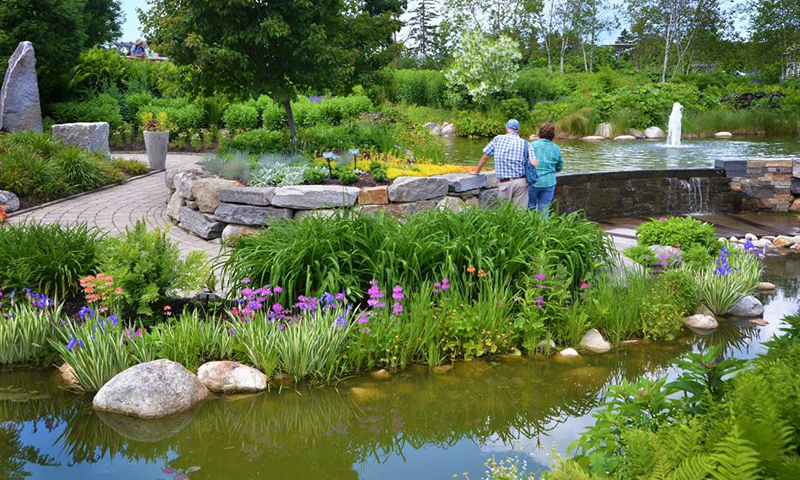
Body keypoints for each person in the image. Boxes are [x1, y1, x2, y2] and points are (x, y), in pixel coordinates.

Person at [472, 119, 537, 208]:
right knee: (520, 214)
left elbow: (485, 157)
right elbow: (534, 163)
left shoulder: (497, 139)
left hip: (504, 184)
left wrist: (476, 171)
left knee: (503, 213)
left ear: (507, 128)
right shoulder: (525, 143)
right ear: (518, 130)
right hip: (520, 183)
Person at [527, 123, 563, 217]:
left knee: (530, 207)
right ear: (553, 134)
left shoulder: (532, 145)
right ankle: (543, 229)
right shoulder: (556, 148)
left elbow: (525, 162)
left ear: (540, 133)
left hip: (533, 181)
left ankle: (530, 228)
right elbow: (559, 167)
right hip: (549, 182)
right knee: (544, 208)